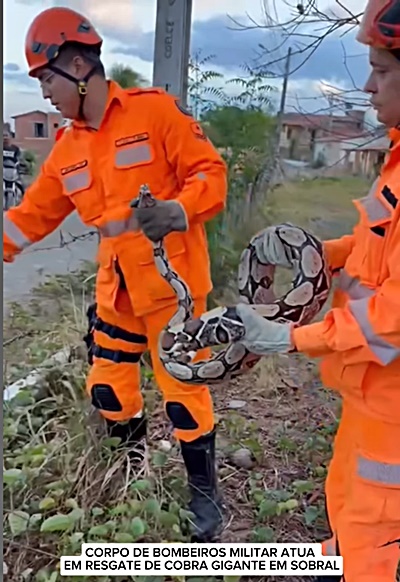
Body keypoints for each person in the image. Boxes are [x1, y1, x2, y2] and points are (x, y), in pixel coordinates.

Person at [3, 6, 228, 542]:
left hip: (170, 289)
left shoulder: (155, 115)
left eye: (47, 79)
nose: (45, 95)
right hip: (117, 293)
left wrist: (179, 210)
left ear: (80, 66)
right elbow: (31, 216)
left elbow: (211, 174)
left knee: (183, 394)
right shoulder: (67, 148)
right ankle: (128, 477)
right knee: (109, 389)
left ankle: (204, 500)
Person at [235, 1, 400, 580]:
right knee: (345, 523)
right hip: (370, 407)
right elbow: (373, 253)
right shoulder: (397, 164)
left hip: (394, 425)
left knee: (370, 551)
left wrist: (293, 337)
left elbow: (392, 316)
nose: (367, 85)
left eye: (381, 70)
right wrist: (314, 252)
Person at [3, 129, 25, 195]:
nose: (5, 137)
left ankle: (23, 201)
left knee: (22, 185)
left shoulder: (16, 149)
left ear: (11, 137)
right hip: (2, 169)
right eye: (3, 136)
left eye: (6, 136)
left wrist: (22, 164)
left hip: (13, 170)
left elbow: (20, 158)